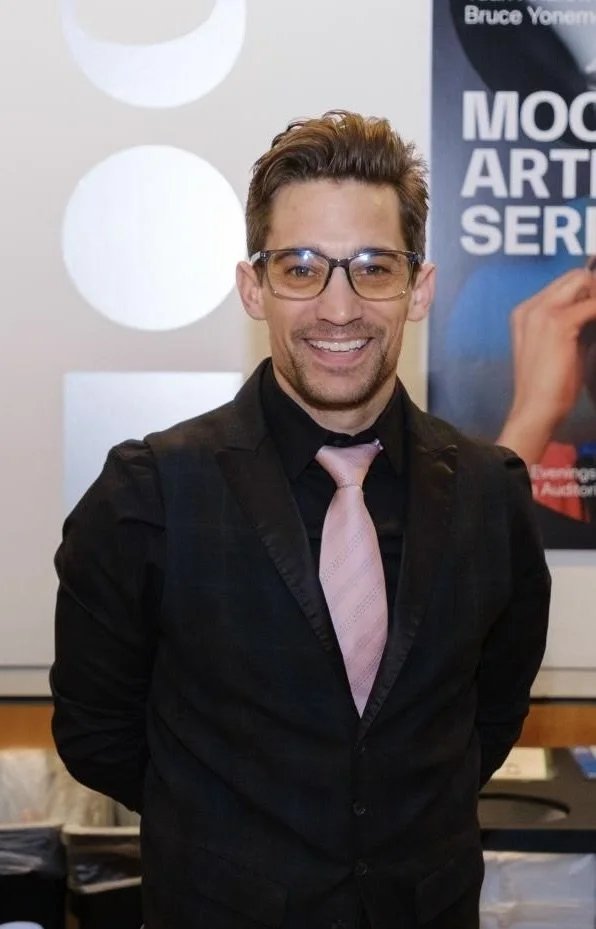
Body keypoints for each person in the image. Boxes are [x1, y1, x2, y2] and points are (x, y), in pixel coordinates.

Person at [51, 111, 551, 929]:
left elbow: (487, 716)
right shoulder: (149, 493)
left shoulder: (491, 495)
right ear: (255, 286)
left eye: (373, 268)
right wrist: (228, 830)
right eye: (302, 266)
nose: (339, 307)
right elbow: (98, 733)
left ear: (418, 289)